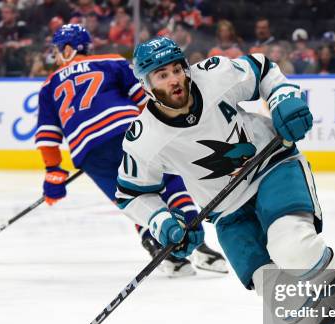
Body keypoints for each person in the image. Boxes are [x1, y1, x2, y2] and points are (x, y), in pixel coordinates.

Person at [115, 37, 335, 324]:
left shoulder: (213, 75)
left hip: (272, 165)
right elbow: (132, 194)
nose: (174, 80)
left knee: (291, 246)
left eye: (176, 70)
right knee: (274, 290)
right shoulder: (144, 139)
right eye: (161, 76)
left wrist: (283, 98)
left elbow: (263, 69)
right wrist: (164, 223)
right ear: (147, 85)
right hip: (227, 209)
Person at [34, 24, 227, 276]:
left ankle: (160, 250)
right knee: (170, 182)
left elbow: (47, 134)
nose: (57, 56)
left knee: (130, 198)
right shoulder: (112, 61)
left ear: (68, 49)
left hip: (88, 151)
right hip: (128, 132)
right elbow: (147, 99)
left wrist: (53, 171)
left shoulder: (49, 85)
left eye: (59, 50)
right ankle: (198, 243)